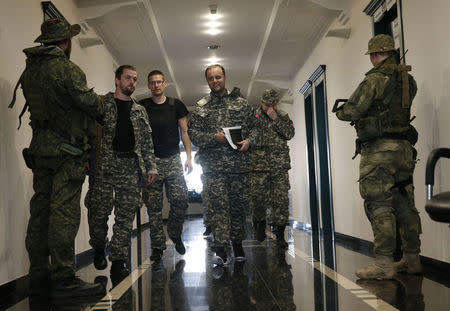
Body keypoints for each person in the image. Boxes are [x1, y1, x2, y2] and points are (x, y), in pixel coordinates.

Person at [8, 18, 105, 298]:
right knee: (63, 213)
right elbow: (88, 103)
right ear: (65, 42)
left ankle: (38, 273)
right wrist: (99, 102)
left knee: (40, 211)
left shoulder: (31, 71)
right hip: (68, 152)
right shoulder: (65, 68)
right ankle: (64, 278)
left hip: (40, 149)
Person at [334, 34, 422, 279]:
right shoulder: (409, 80)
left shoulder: (375, 79)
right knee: (405, 203)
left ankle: (384, 264)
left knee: (378, 203)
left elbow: (353, 109)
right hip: (404, 149)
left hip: (380, 151)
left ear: (375, 55)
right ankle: (412, 259)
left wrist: (341, 111)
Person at [88, 65, 157, 281]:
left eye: (135, 79)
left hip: (130, 166)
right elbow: (88, 134)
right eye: (128, 78)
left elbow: (146, 142)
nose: (132, 83)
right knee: (99, 213)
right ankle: (99, 246)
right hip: (104, 167)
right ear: (117, 80)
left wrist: (151, 167)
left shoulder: (139, 110)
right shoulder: (101, 105)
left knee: (125, 217)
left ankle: (118, 261)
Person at [188, 64, 258, 265]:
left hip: (239, 167)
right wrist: (213, 138)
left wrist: (249, 141)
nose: (215, 81)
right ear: (207, 81)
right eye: (211, 78)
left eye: (218, 77)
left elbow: (256, 129)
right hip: (214, 169)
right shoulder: (202, 108)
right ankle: (220, 248)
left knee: (238, 208)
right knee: (218, 208)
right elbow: (193, 134)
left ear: (225, 77)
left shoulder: (242, 104)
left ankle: (237, 244)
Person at [139, 70, 192, 261]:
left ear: (165, 84)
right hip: (151, 162)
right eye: (152, 82)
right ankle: (157, 248)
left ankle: (175, 232)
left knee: (180, 200)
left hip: (172, 160)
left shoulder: (175, 105)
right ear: (148, 85)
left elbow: (184, 132)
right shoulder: (142, 106)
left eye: (159, 82)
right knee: (153, 207)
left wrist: (188, 157)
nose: (156, 85)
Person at [250, 89, 295, 248]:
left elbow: (289, 134)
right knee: (258, 199)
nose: (270, 107)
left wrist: (275, 118)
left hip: (279, 166)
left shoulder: (282, 116)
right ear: (261, 102)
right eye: (266, 104)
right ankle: (259, 224)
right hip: (258, 166)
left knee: (281, 201)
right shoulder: (252, 117)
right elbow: (243, 134)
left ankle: (280, 234)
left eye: (273, 104)